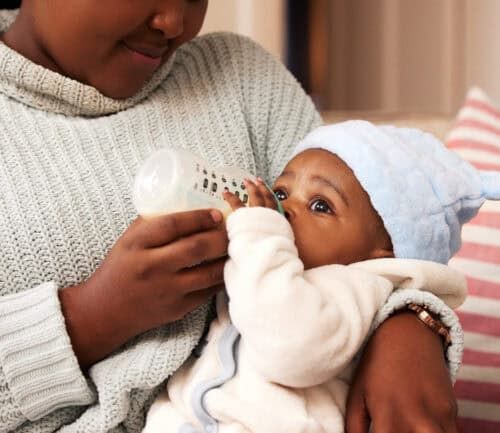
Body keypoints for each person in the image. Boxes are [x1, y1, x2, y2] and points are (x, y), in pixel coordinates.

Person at [0, 3, 462, 433]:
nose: (173, 23)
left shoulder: (239, 78)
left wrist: (413, 324)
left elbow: (367, 228)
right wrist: (91, 317)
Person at [144, 119, 500, 432]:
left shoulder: (354, 287)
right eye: (281, 192)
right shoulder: (273, 265)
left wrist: (258, 236)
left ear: (384, 250)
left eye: (320, 205)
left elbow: (290, 351)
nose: (287, 209)